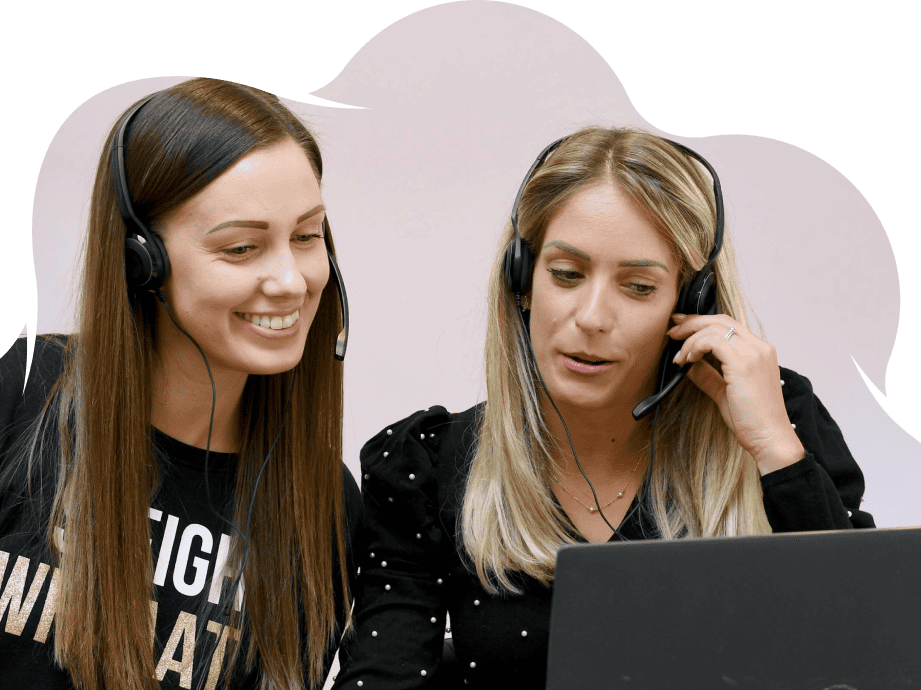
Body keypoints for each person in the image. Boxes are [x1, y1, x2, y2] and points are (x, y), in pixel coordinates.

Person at [332, 127, 873, 689]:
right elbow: (382, 678)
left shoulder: (782, 423)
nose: (592, 317)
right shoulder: (424, 467)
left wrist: (776, 453)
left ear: (692, 303)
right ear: (522, 281)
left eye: (638, 287)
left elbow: (868, 658)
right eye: (566, 275)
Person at [0, 78, 359, 690]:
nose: (291, 280)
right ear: (141, 260)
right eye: (241, 247)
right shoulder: (13, 396)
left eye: (307, 236)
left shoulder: (322, 500)